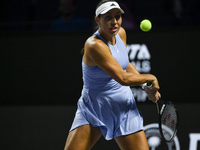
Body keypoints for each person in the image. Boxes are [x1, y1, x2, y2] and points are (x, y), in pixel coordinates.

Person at [64, 0, 161, 150]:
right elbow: (122, 78)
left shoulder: (121, 33)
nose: (114, 22)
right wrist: (151, 78)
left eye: (117, 16)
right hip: (94, 109)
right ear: (97, 20)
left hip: (123, 108)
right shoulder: (94, 45)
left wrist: (144, 86)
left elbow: (125, 65)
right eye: (108, 17)